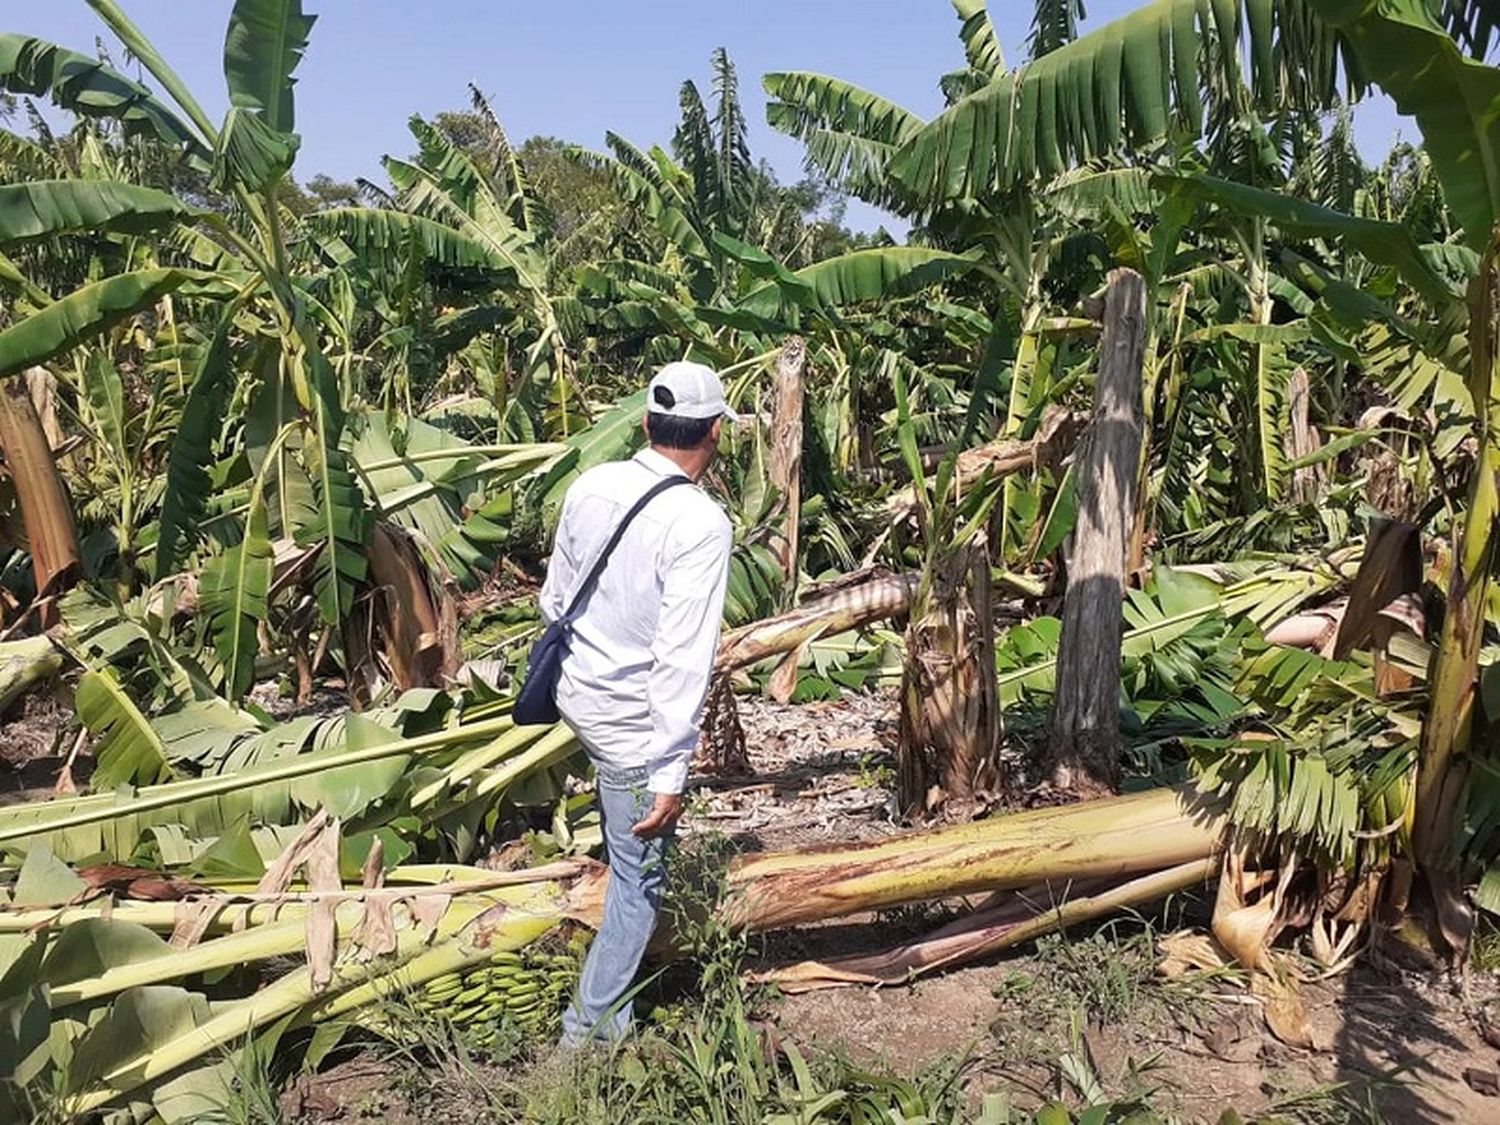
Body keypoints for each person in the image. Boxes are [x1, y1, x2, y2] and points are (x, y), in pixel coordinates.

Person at [540, 360, 736, 1047]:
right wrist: (670, 776)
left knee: (625, 846)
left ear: (649, 423)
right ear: (713, 433)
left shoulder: (592, 485)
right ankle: (583, 1038)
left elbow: (554, 600)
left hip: (578, 697)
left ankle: (610, 1020)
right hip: (628, 726)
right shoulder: (700, 524)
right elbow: (683, 661)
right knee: (637, 885)